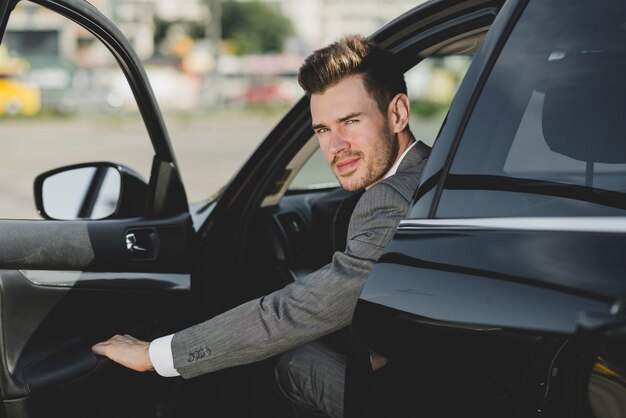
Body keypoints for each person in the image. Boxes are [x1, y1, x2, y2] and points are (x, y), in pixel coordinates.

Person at [92, 34, 430, 418]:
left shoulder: (389, 198)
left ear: (398, 113)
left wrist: (155, 355)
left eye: (350, 121)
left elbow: (293, 313)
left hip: (433, 394)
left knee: (296, 363)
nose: (336, 146)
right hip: (435, 369)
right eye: (322, 130)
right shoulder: (430, 175)